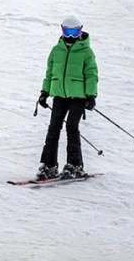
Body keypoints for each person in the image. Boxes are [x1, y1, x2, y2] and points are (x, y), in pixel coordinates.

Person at [36, 16, 98, 180]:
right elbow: (49, 73)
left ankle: (75, 165)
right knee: (53, 128)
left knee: (71, 126)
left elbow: (91, 75)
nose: (70, 36)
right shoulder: (56, 50)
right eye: (67, 32)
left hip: (78, 96)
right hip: (59, 96)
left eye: (74, 32)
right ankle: (49, 165)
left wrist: (91, 95)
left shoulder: (86, 52)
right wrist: (45, 92)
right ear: (62, 30)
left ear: (80, 31)